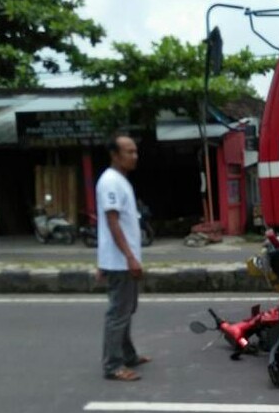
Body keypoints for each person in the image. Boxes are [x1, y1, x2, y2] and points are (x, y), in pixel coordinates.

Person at [96, 134, 151, 381]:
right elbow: (112, 222)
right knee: (118, 313)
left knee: (127, 309)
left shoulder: (120, 180)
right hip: (120, 261)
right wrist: (129, 257)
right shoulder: (110, 182)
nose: (134, 156)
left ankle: (128, 355)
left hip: (120, 259)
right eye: (129, 152)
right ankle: (113, 365)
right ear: (115, 155)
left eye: (135, 151)